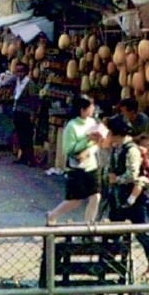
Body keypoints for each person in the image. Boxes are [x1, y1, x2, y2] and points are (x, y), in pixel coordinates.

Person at [106, 116, 149, 278]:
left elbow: (133, 175)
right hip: (118, 196)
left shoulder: (131, 150)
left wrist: (117, 179)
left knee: (141, 231)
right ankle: (113, 263)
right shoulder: (117, 148)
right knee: (115, 230)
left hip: (134, 198)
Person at [47, 95, 103, 225]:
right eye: (91, 106)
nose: (93, 109)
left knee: (96, 196)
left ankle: (89, 225)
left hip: (92, 165)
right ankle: (52, 215)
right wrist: (86, 140)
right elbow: (69, 149)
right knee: (75, 200)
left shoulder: (92, 122)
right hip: (77, 167)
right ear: (82, 110)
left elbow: (96, 144)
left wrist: (89, 150)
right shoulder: (71, 127)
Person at [7, 61, 40, 166]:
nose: (19, 74)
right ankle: (22, 157)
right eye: (17, 71)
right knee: (20, 135)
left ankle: (30, 159)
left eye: (21, 71)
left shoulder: (29, 84)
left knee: (27, 136)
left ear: (26, 72)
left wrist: (33, 113)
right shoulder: (17, 82)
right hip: (17, 111)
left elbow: (34, 99)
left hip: (26, 113)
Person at [122, 133, 149, 208]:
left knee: (139, 181)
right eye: (147, 145)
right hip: (146, 178)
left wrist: (143, 152)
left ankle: (131, 200)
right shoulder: (139, 153)